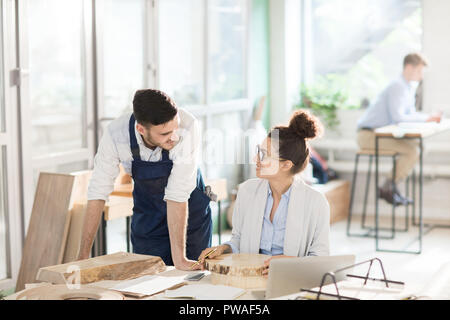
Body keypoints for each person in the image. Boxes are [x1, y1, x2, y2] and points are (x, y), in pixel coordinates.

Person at [78, 89, 212, 270]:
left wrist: (180, 259)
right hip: (149, 218)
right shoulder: (116, 135)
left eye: (175, 129)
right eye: (164, 134)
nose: (173, 137)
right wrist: (83, 256)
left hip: (190, 214)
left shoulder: (188, 126)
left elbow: (177, 194)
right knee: (147, 280)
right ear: (140, 129)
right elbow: (98, 192)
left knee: (193, 281)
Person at [198, 110, 330, 275]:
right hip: (249, 276)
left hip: (290, 279)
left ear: (286, 165)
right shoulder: (247, 191)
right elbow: (238, 240)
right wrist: (224, 248)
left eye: (264, 155)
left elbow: (321, 259)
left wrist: (293, 263)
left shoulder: (315, 201)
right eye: (258, 151)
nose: (256, 159)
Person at [356, 53, 442, 206]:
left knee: (419, 146)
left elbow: (409, 115)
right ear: (409, 67)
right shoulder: (397, 86)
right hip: (369, 135)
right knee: (413, 151)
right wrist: (427, 119)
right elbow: (399, 117)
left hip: (380, 135)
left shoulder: (406, 88)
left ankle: (390, 186)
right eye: (420, 71)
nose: (421, 76)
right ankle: (388, 187)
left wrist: (428, 117)